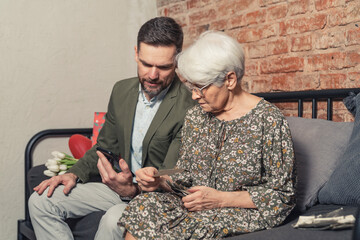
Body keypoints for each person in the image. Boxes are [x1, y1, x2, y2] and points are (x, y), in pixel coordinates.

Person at [28, 16, 195, 240]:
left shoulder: (189, 106)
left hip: (153, 197)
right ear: (136, 53)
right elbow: (104, 146)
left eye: (163, 67)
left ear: (177, 61)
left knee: (113, 220)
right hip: (118, 189)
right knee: (41, 201)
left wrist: (134, 190)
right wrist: (73, 174)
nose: (152, 75)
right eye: (146, 64)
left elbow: (173, 173)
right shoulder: (121, 90)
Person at [119, 31, 296, 239]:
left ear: (230, 80)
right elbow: (183, 170)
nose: (194, 95)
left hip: (238, 210)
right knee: (144, 205)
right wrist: (159, 177)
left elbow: (283, 195)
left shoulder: (269, 120)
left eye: (200, 87)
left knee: (187, 226)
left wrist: (221, 199)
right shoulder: (196, 115)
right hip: (195, 203)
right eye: (191, 86)